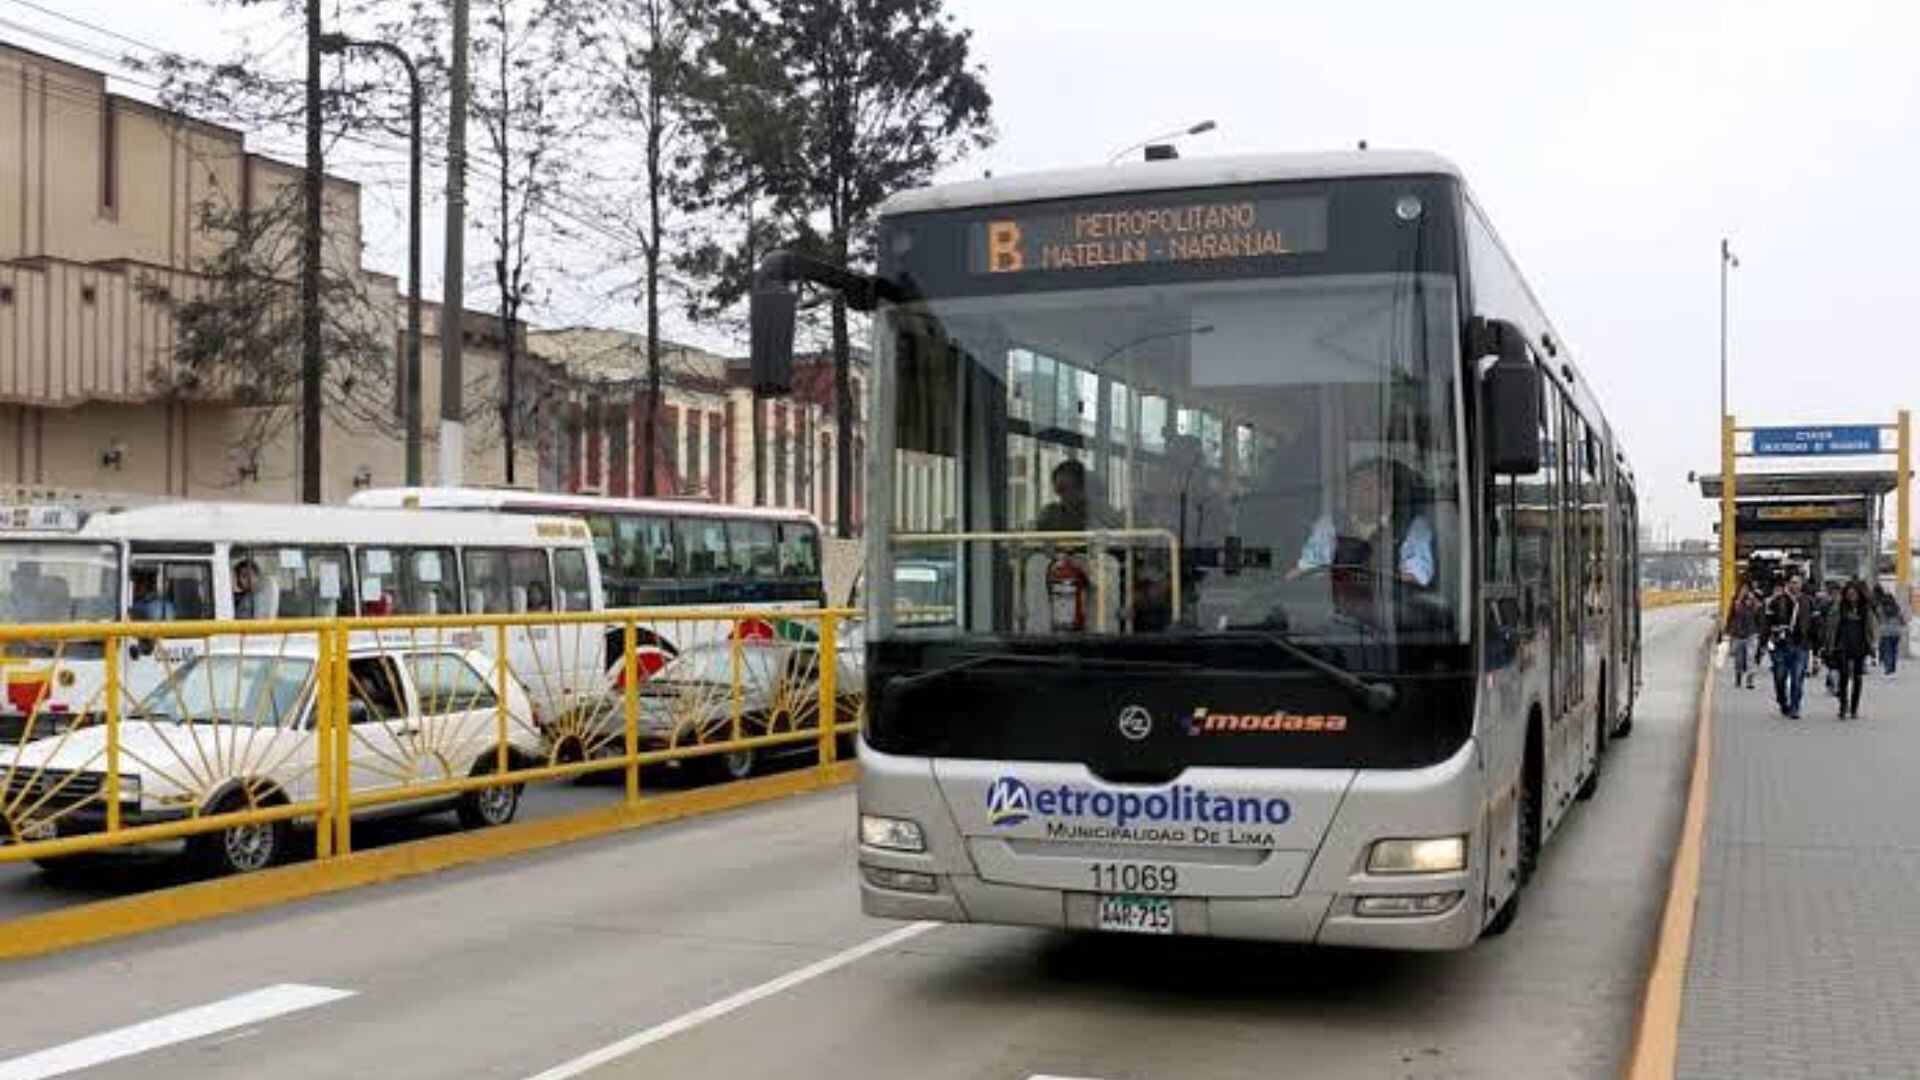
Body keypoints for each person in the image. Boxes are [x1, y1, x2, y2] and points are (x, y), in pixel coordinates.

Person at [1291, 456, 1435, 586]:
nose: (1358, 494)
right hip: (1337, 607)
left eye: (1367, 488)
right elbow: (1309, 566)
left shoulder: (1412, 526)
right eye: (1353, 487)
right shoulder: (1331, 522)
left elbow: (1415, 577)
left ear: (1387, 492)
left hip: (1388, 609)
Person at [1829, 580, 1877, 719]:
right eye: (1849, 594)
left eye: (1854, 594)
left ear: (1859, 594)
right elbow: (1832, 627)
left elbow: (1872, 628)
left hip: (1860, 646)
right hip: (1843, 646)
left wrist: (1873, 644)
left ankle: (1854, 708)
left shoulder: (1865, 609)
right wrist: (1829, 645)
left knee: (1857, 678)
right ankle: (1843, 706)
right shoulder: (1840, 607)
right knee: (1843, 677)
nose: (1852, 596)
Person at [1766, 576, 1812, 719]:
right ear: (1787, 584)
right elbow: (1767, 623)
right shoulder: (1777, 601)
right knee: (1780, 677)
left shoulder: (1808, 601)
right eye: (1792, 582)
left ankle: (1795, 707)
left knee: (1797, 678)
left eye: (1797, 582)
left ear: (1801, 584)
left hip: (1801, 645)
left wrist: (1818, 649)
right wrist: (1764, 642)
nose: (1795, 585)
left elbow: (1815, 625)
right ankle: (1782, 701)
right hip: (1780, 645)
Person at [1035, 459, 1115, 533]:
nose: (1062, 495)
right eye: (1059, 489)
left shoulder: (1101, 515)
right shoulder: (1050, 516)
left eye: (1065, 488)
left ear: (1082, 488)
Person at [1726, 583, 1763, 689]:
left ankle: (1750, 681)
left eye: (1746, 589)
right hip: (1738, 634)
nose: (1744, 591)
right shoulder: (1736, 602)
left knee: (1751, 658)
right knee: (1739, 658)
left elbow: (1760, 614)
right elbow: (1731, 616)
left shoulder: (1754, 602)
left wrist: (1760, 632)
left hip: (1751, 634)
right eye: (1742, 589)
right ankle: (1738, 677)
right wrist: (1728, 631)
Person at [1873, 583, 1906, 676]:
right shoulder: (1897, 608)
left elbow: (1878, 618)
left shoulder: (1880, 608)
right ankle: (1892, 667)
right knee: (1894, 650)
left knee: (1887, 650)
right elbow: (1902, 620)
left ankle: (1888, 667)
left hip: (1885, 632)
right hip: (1896, 632)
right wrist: (1901, 624)